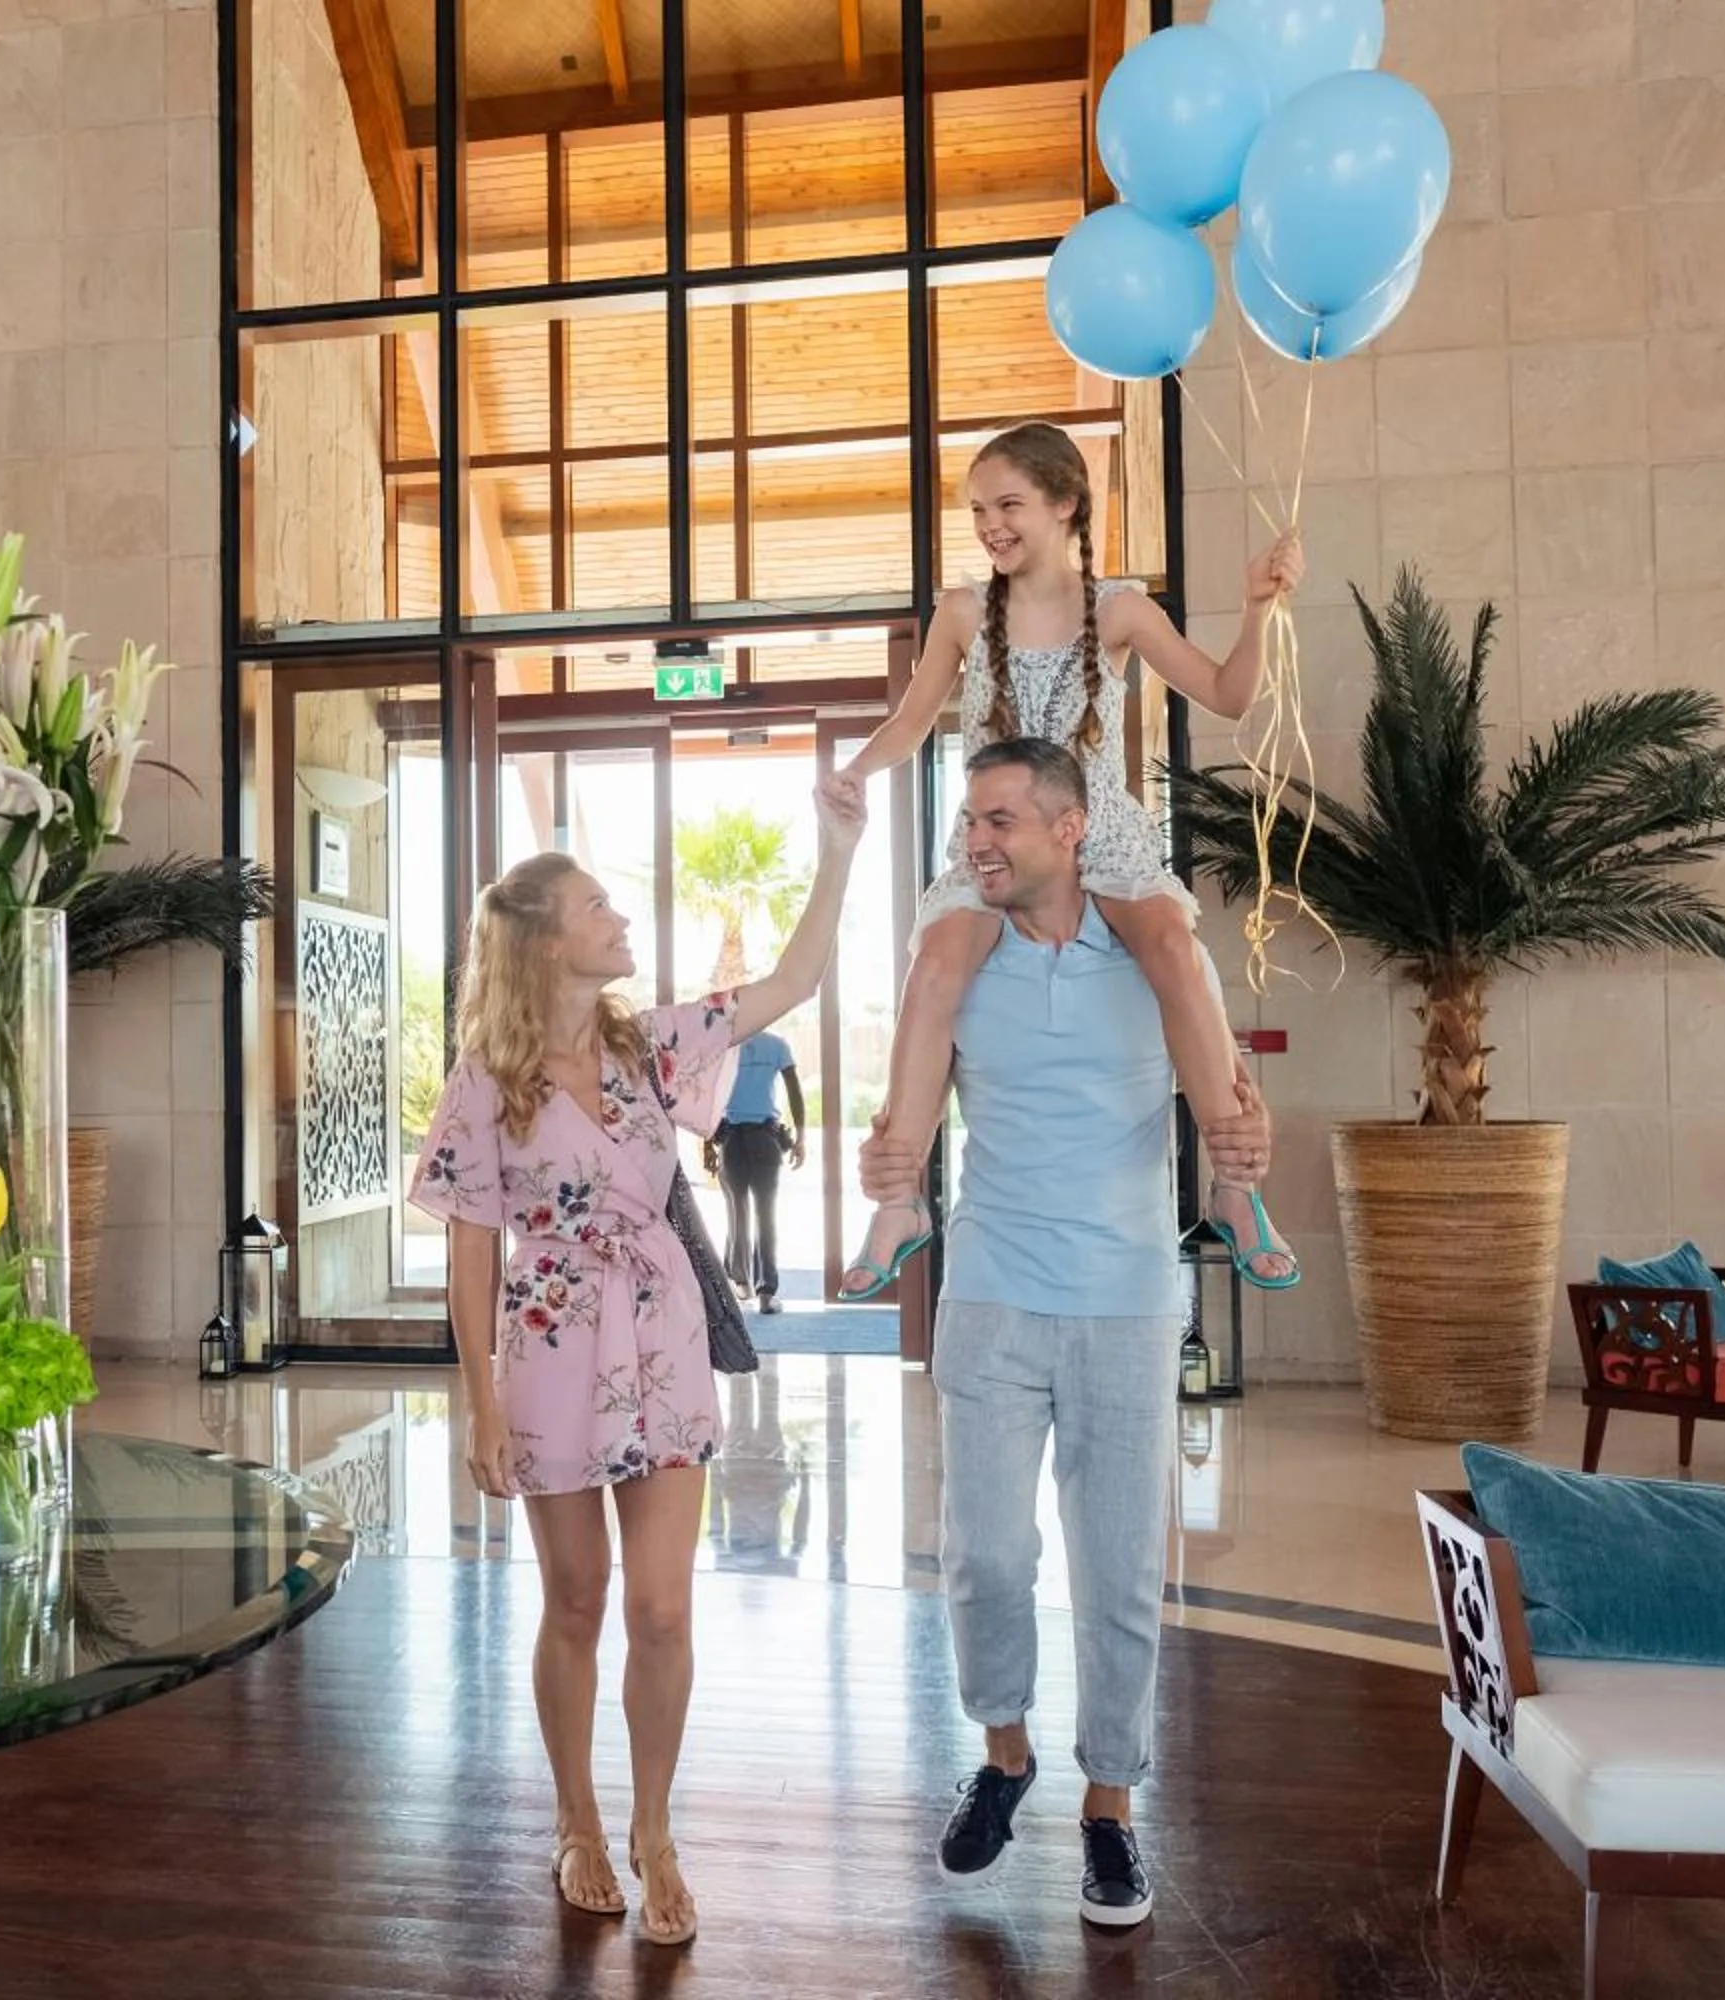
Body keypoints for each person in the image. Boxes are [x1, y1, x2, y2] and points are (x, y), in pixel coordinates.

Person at [407, 781, 868, 1950]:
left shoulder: (650, 1043)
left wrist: (836, 848)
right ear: (545, 939)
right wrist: (480, 1406)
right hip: (549, 1347)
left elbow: (793, 983)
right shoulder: (481, 1082)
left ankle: (655, 1825)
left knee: (662, 1606)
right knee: (577, 1599)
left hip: (661, 1341)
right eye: (598, 905)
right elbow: (469, 1260)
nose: (621, 919)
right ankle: (577, 1822)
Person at [862, 738, 1273, 1930]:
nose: (973, 843)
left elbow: (1245, 1107)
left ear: (1069, 827)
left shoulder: (1152, 954)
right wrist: (885, 1159)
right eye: (966, 824)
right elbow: (906, 1111)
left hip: (1128, 1299)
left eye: (997, 822)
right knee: (984, 1553)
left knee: (1116, 1571)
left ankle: (1110, 1806)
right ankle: (1003, 1756)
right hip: (990, 1290)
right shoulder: (961, 959)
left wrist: (1248, 1153)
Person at [819, 421, 1301, 1304]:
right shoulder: (964, 612)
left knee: (1171, 951)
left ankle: (1234, 1188)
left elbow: (1228, 694)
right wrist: (851, 771)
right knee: (933, 970)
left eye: (1009, 505)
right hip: (1000, 833)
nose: (989, 525)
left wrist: (1258, 606)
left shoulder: (1118, 608)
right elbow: (914, 719)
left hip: (1098, 824)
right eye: (977, 510)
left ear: (1065, 504)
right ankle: (899, 1203)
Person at [707, 1029, 804, 1312]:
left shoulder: (725, 1045)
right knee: (766, 1213)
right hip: (765, 1138)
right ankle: (766, 1292)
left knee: (737, 1212)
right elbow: (794, 1091)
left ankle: (742, 1282)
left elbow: (710, 1097)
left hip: (730, 1138)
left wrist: (707, 1144)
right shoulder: (777, 1045)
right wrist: (801, 1138)